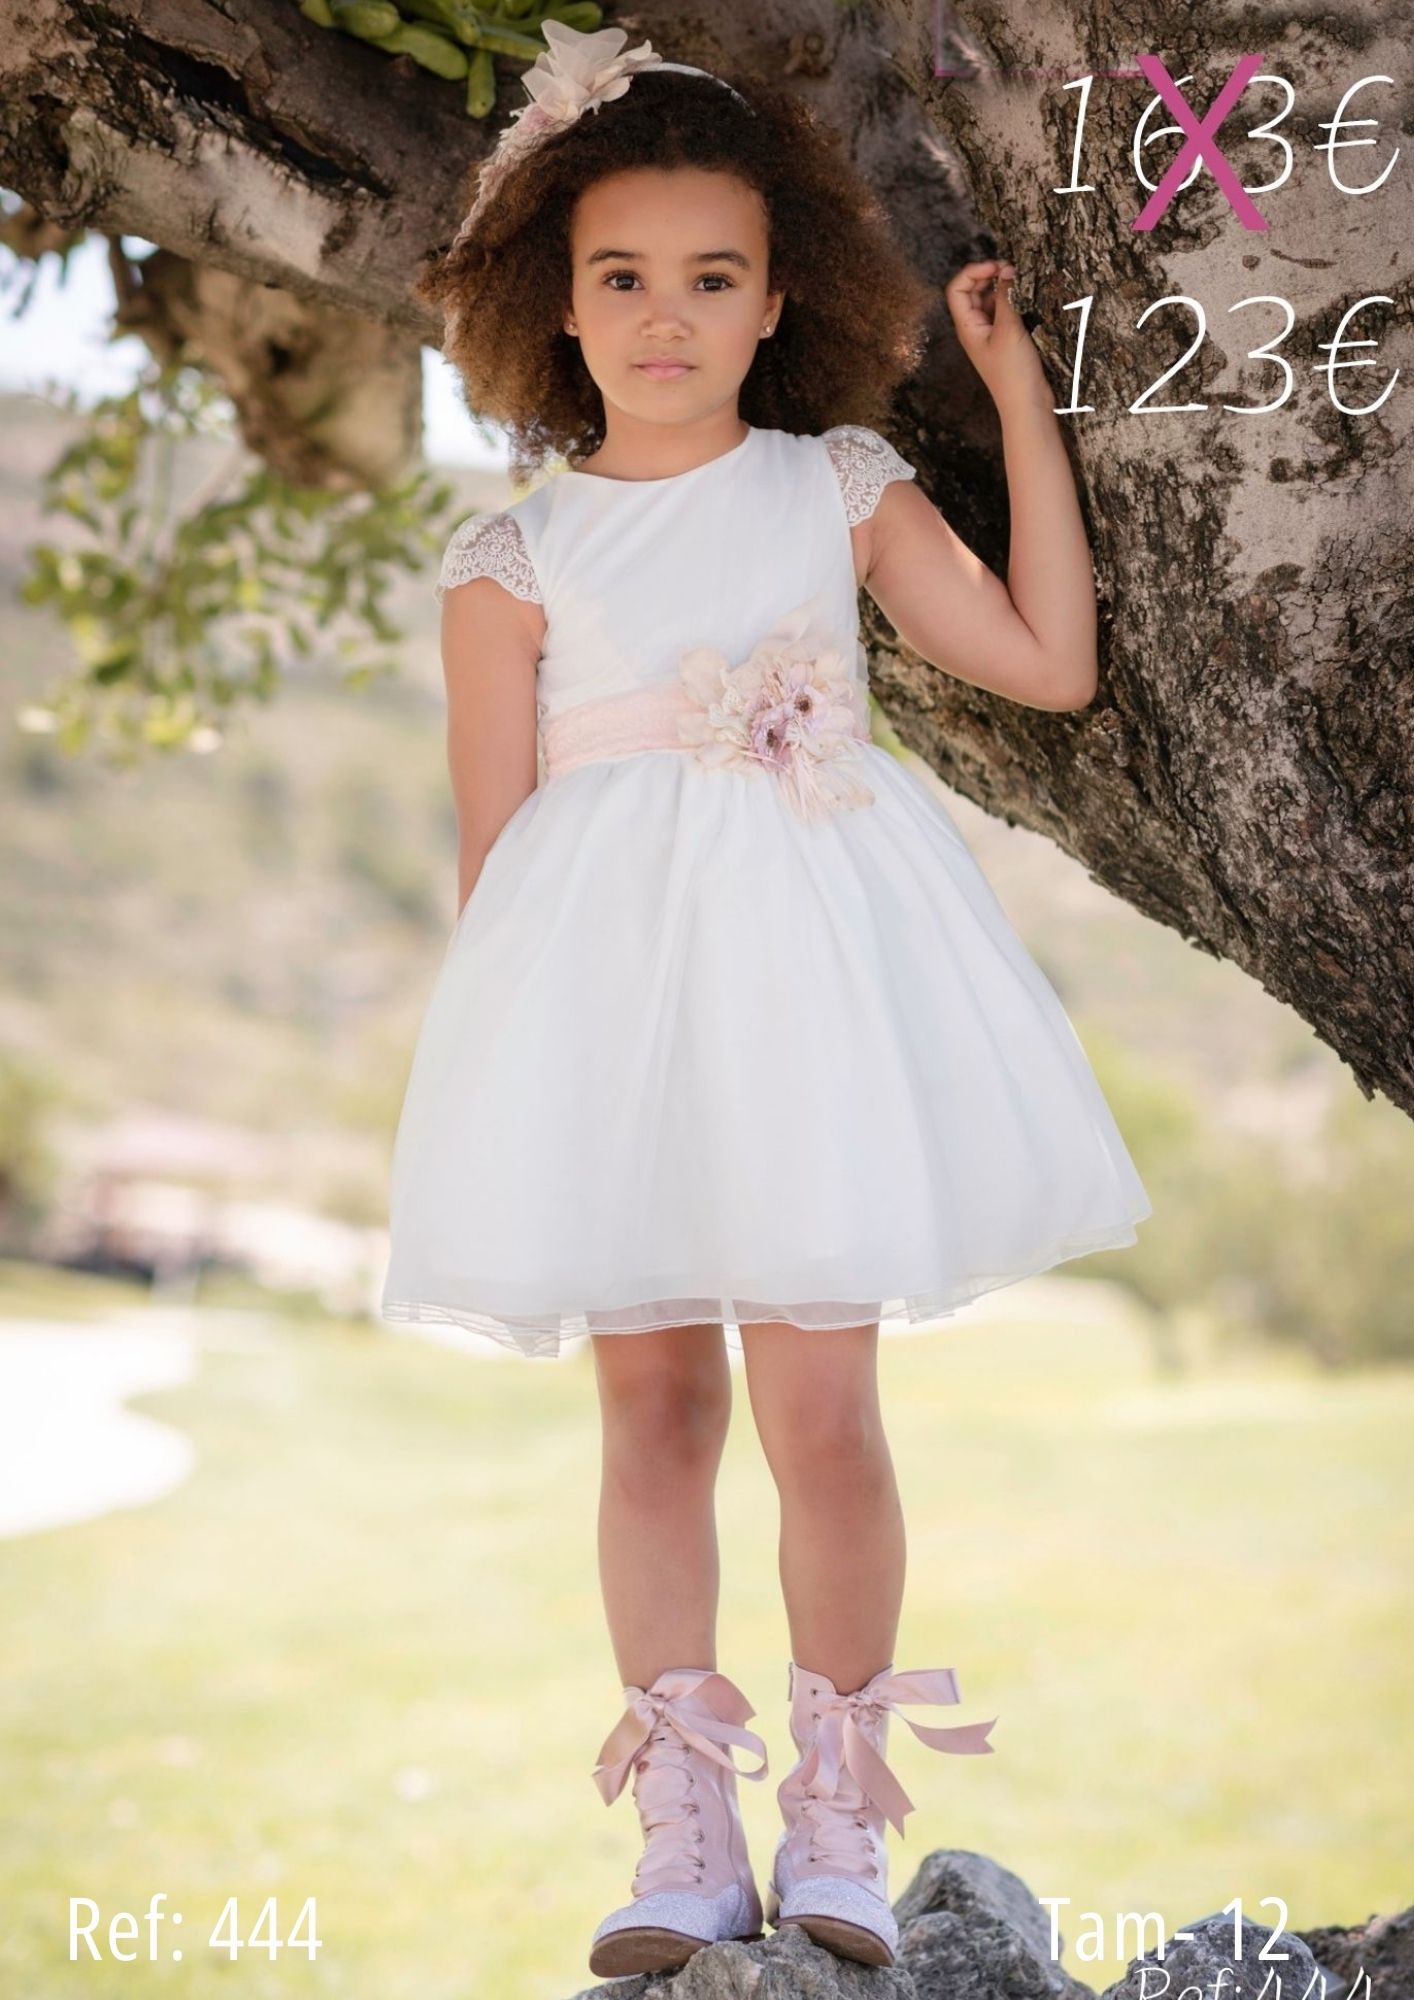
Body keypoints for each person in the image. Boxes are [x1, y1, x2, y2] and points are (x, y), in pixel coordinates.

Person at [382, 21, 1153, 1980]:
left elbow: (1047, 664)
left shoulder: (835, 485)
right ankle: (680, 1827)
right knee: (651, 1407)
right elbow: (498, 862)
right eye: (622, 277)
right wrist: (525, 1107)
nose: (666, 317)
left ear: (776, 297)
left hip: (807, 1003)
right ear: (559, 305)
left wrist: (1015, 395)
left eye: (710, 277)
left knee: (823, 1411)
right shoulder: (511, 556)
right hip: (610, 1023)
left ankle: (832, 1812)